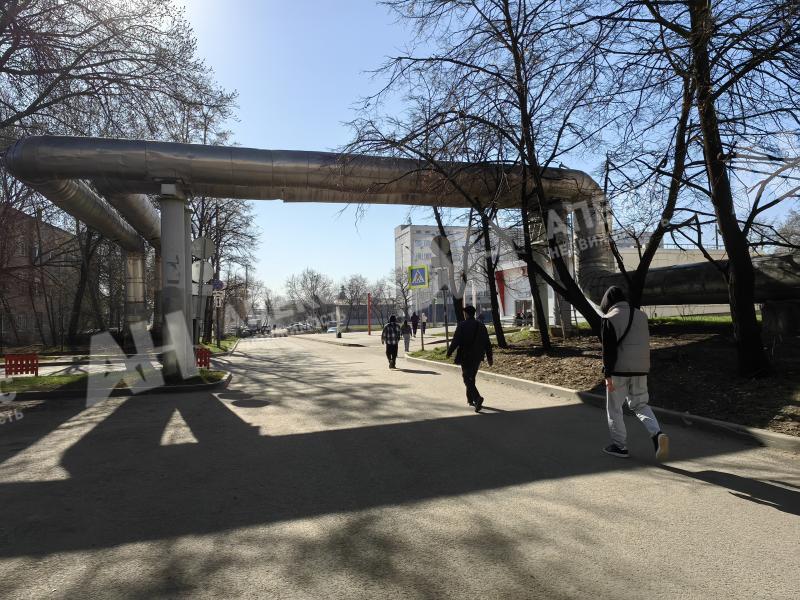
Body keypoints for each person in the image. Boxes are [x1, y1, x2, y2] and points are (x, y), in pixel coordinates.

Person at [600, 286, 669, 461]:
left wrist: (607, 375)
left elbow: (608, 350)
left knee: (615, 409)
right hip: (641, 369)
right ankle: (657, 434)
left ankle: (620, 446)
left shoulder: (609, 318)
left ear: (608, 302)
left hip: (618, 371)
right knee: (640, 405)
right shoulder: (641, 316)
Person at [446, 305, 493, 412]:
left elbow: (456, 340)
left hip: (465, 355)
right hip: (478, 356)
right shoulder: (481, 326)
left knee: (466, 378)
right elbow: (487, 343)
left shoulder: (462, 325)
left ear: (466, 314)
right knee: (471, 377)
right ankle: (470, 399)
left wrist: (449, 352)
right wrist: (490, 358)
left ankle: (477, 398)